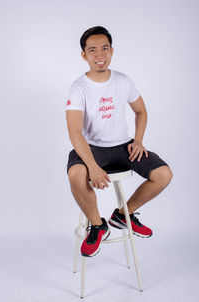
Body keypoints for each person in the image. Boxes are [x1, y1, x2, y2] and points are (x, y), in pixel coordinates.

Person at [65, 26, 172, 257]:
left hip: (123, 146)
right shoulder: (78, 88)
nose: (99, 54)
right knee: (76, 174)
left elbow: (141, 111)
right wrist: (92, 166)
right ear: (84, 55)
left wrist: (139, 141)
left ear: (112, 51)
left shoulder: (123, 81)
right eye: (92, 50)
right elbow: (75, 132)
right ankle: (98, 225)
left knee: (163, 174)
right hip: (92, 147)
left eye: (104, 48)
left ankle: (123, 214)